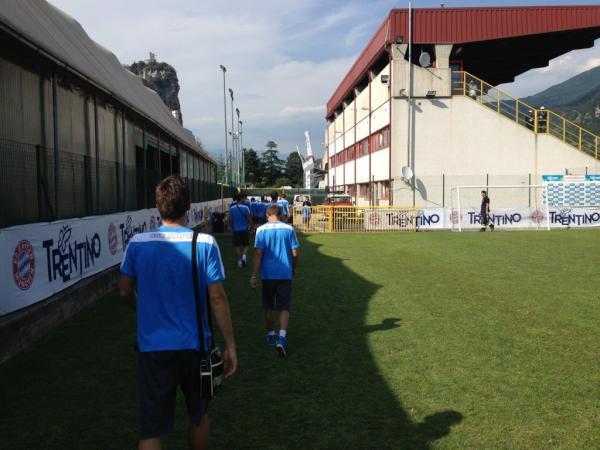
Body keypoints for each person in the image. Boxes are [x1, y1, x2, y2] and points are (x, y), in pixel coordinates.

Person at [119, 175, 237, 450]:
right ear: (189, 205)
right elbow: (217, 297)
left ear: (158, 205)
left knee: (151, 429)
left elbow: (124, 290)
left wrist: (140, 308)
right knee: (199, 415)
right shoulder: (205, 243)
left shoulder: (137, 243)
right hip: (194, 347)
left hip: (152, 347)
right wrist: (230, 344)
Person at [250, 204, 300, 357]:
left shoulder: (261, 230)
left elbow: (258, 253)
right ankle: (282, 338)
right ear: (281, 215)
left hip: (268, 275)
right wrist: (294, 267)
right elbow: (295, 252)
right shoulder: (289, 229)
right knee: (284, 307)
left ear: (267, 215)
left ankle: (271, 335)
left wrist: (254, 275)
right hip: (285, 273)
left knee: (268, 307)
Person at [229, 193, 252, 268]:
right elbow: (249, 218)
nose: (244, 199)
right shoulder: (246, 208)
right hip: (244, 229)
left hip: (236, 230)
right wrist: (250, 226)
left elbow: (230, 219)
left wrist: (232, 227)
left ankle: (239, 262)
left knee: (237, 246)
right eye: (244, 198)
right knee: (246, 245)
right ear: (241, 198)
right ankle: (244, 257)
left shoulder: (232, 208)